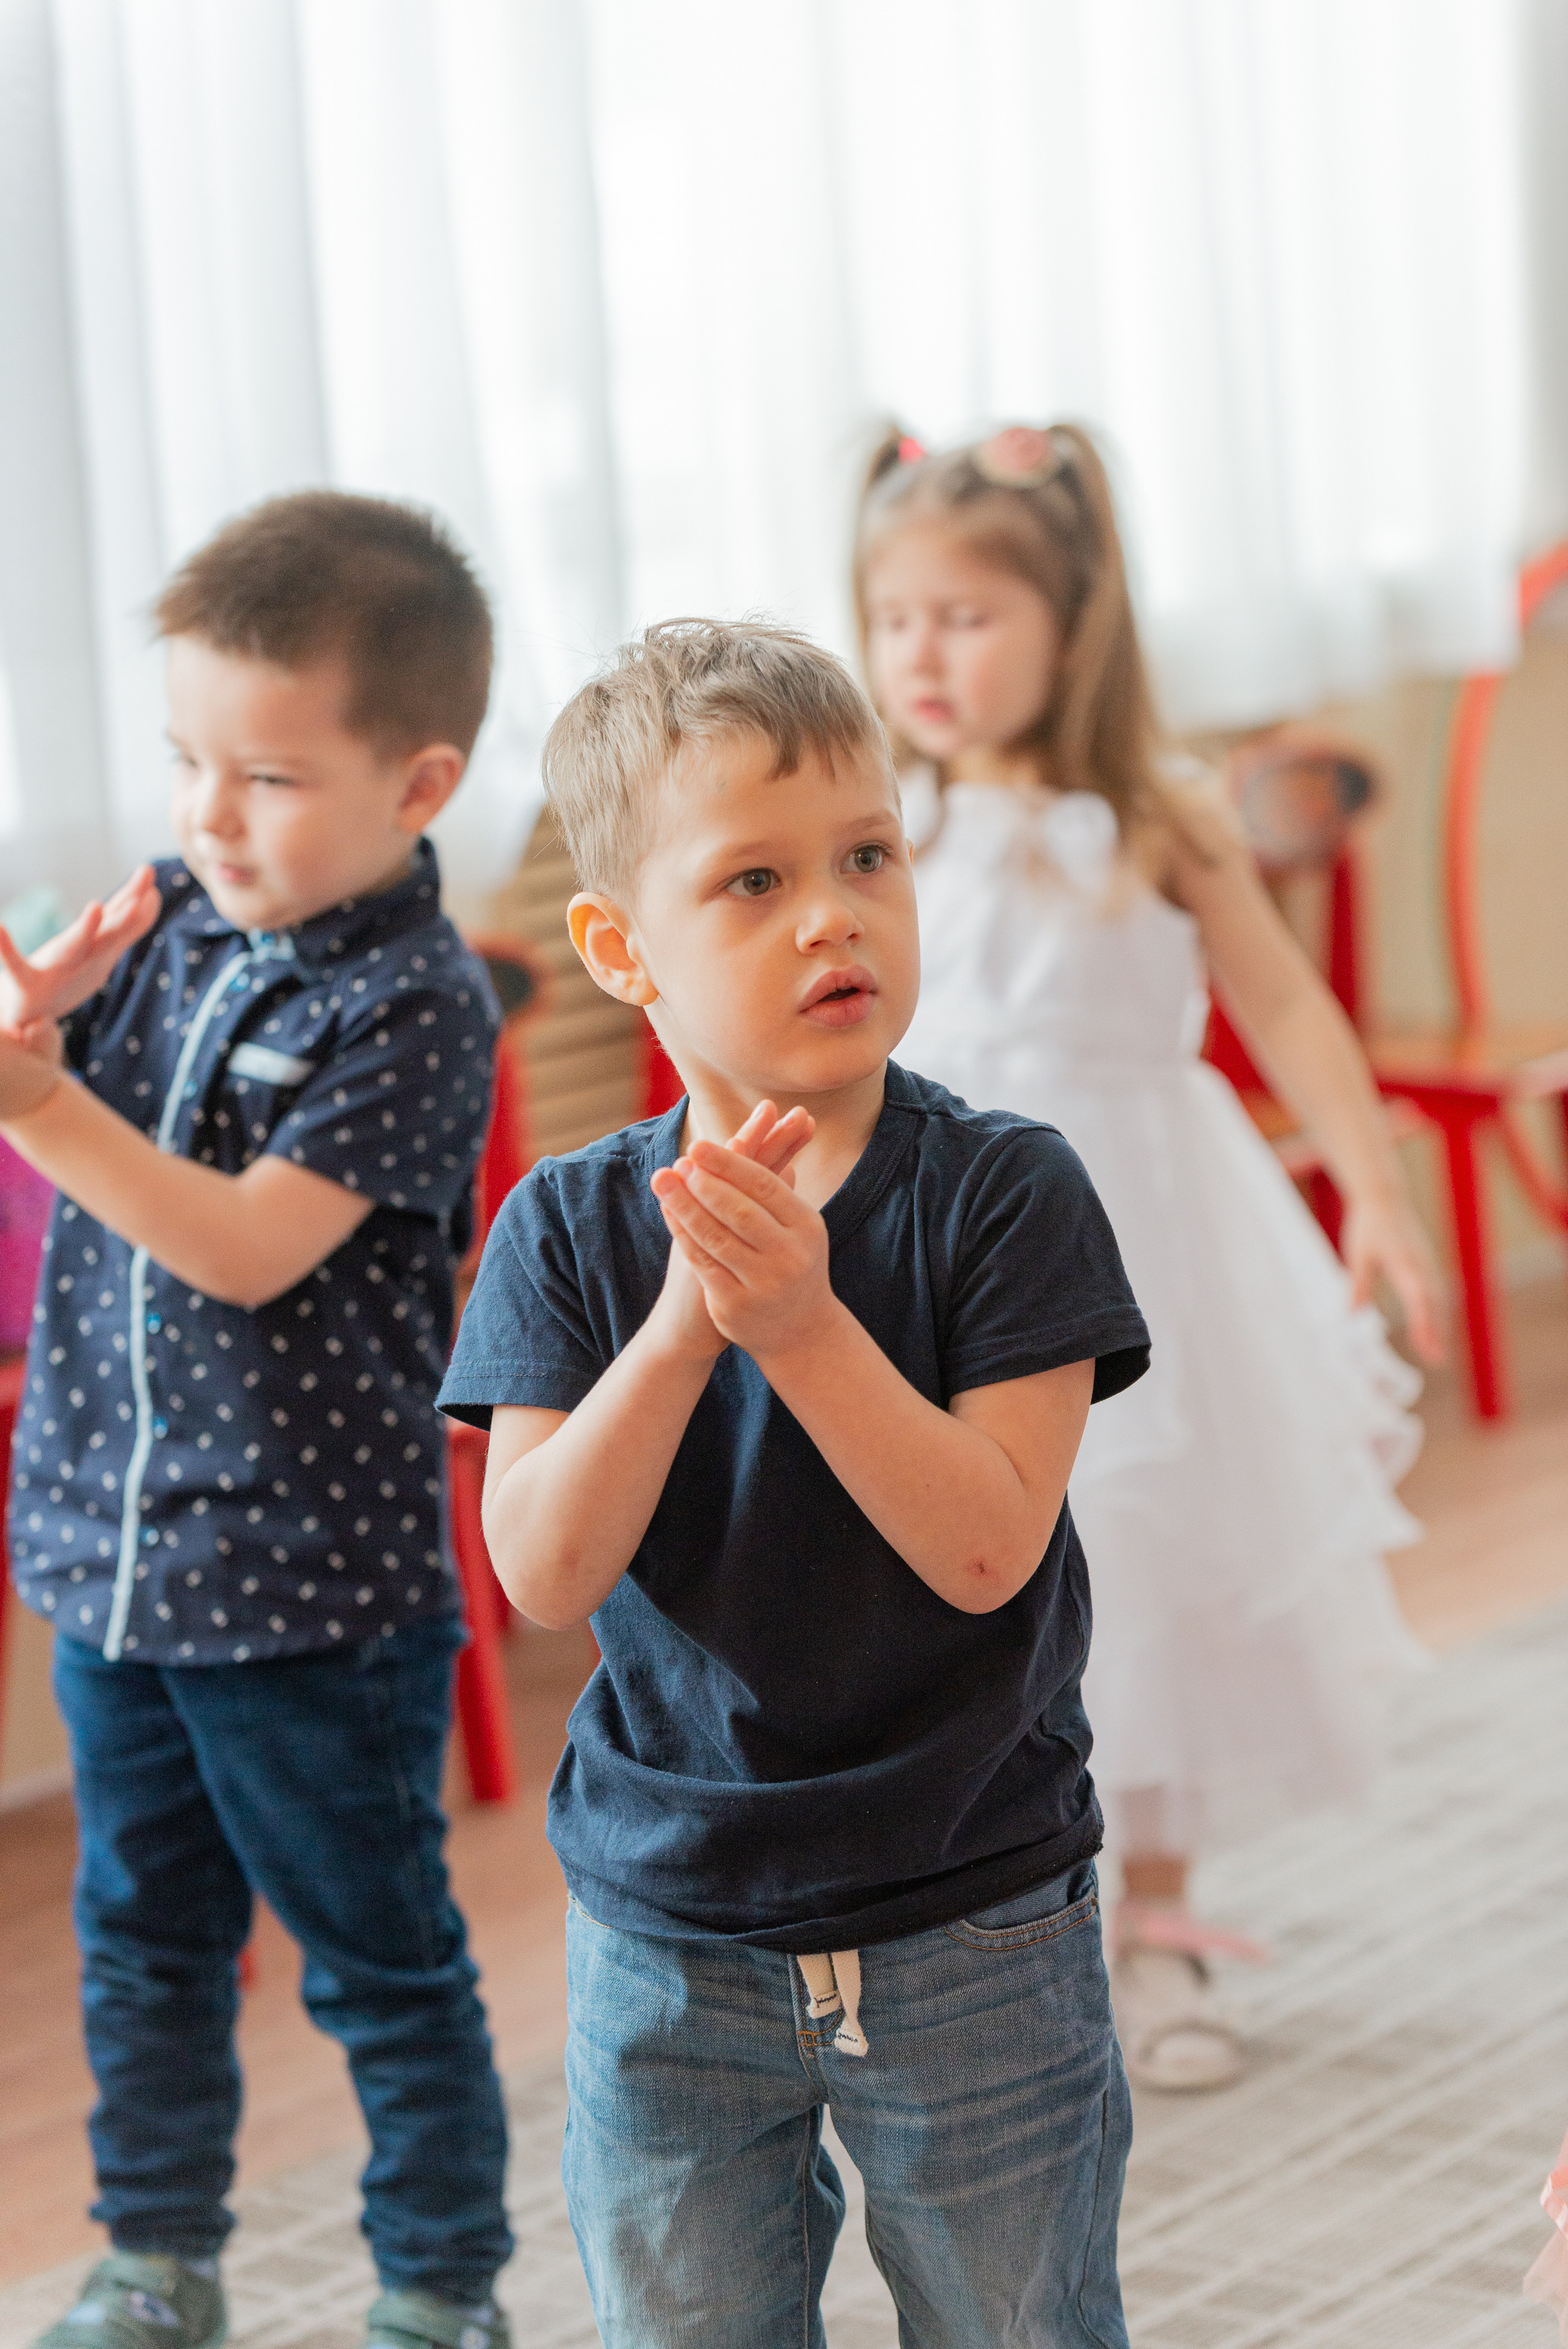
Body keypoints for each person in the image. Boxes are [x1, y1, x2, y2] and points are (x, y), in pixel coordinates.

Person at [439, 618, 1153, 2348]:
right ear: (621, 950)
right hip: (667, 1929)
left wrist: (805, 1326)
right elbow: (542, 1569)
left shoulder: (1007, 1192)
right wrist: (690, 1323)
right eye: (753, 881)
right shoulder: (567, 1229)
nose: (833, 914)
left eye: (867, 857)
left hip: (974, 1909)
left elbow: (987, 1549)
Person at [856, 421, 1446, 2092]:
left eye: (967, 617)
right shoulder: (881, 820)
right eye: (895, 619)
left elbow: (1288, 1007)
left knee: (1151, 1558)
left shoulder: (1155, 813)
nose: (923, 655)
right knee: (958, 1566)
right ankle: (986, 1918)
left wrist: (1376, 1191)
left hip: (1144, 1242)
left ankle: (1162, 1914)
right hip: (942, 1250)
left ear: (1075, 621)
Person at [0, 493, 513, 2349]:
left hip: (309, 1598)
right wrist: (38, 1033)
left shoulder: (420, 1006)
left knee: (378, 1957)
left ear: (420, 782)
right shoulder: (167, 922)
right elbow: (59, 1080)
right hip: (116, 1562)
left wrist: (39, 1111)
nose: (212, 815)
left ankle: (441, 2284)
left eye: (271, 776)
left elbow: (236, 1248)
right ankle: (157, 2257)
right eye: (186, 761)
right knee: (142, 1942)